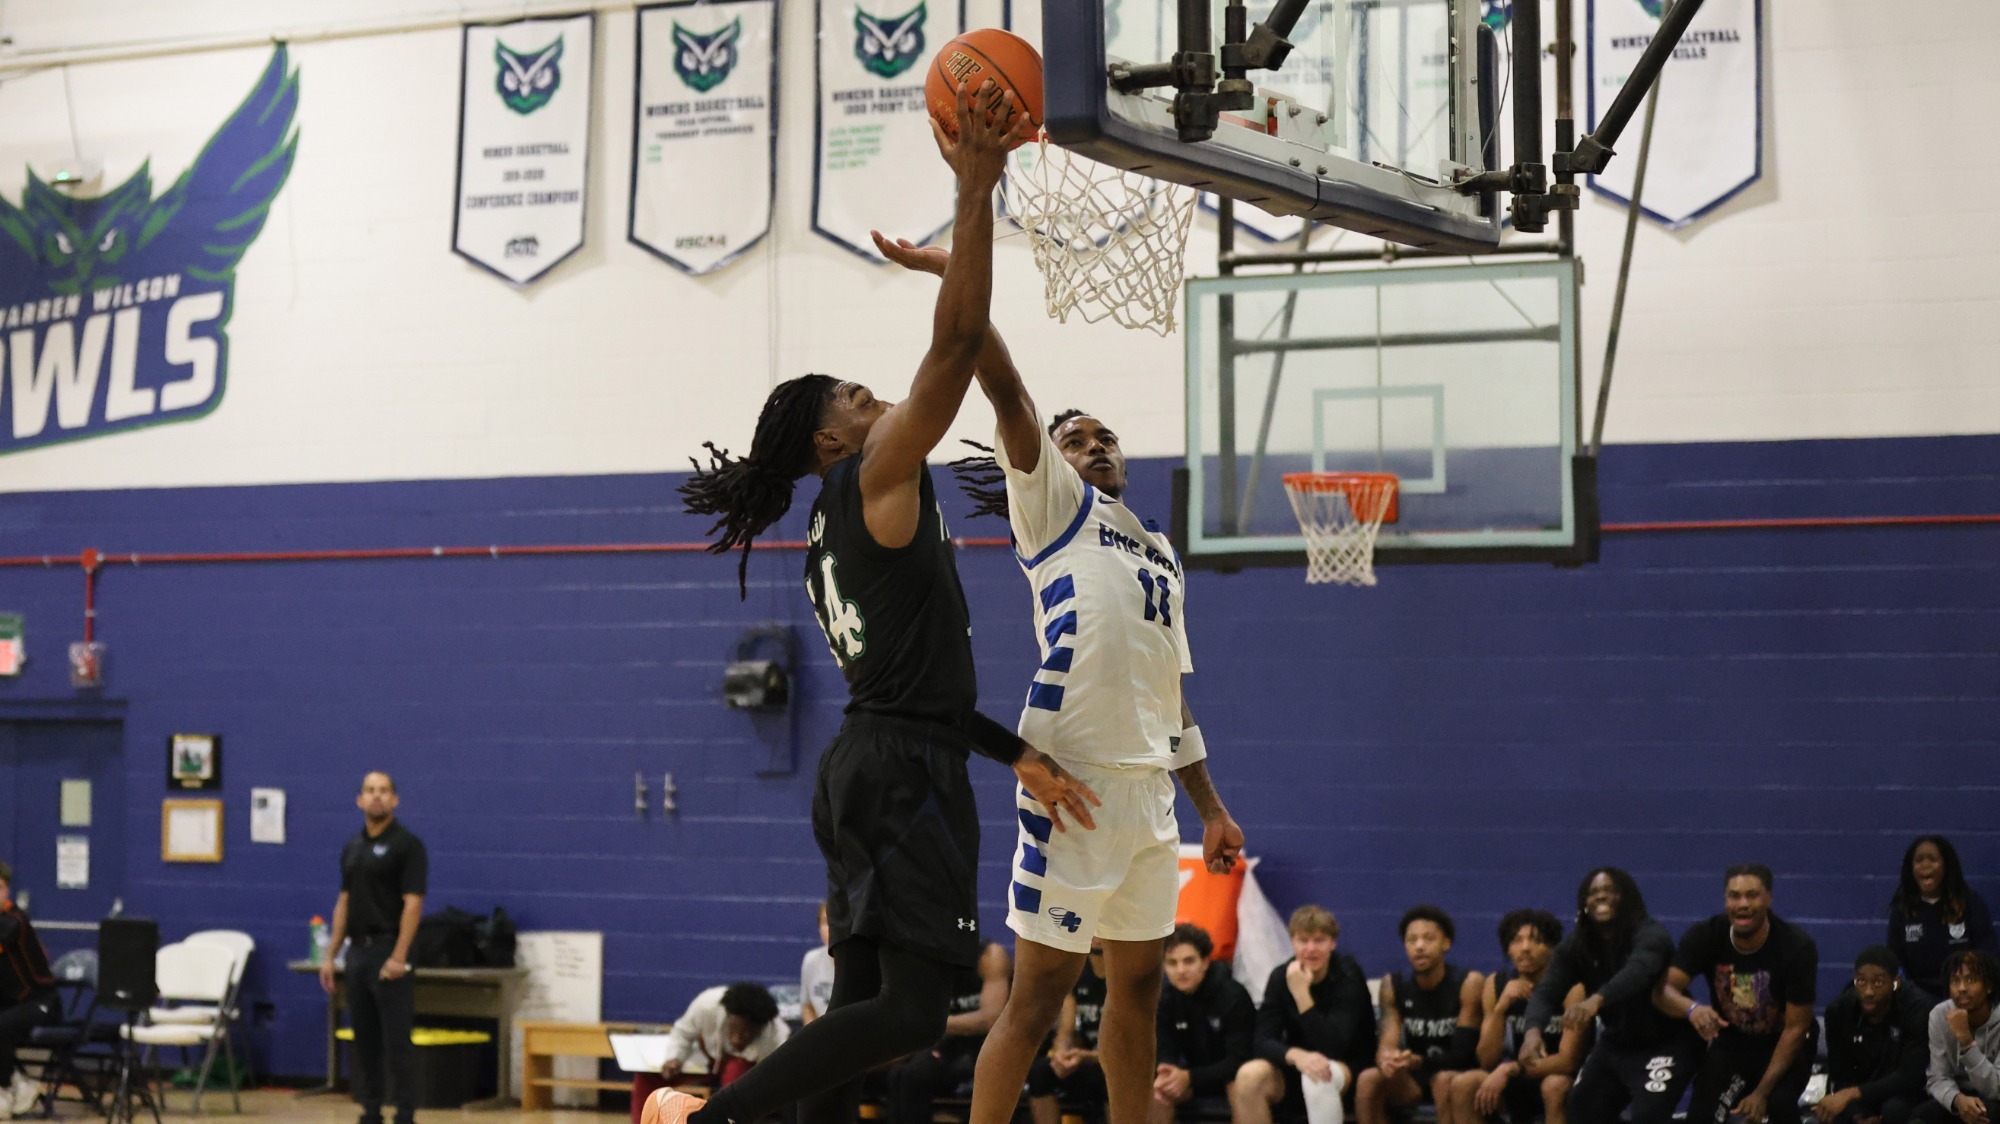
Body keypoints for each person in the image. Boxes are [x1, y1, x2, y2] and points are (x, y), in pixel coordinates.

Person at [665, 78, 1092, 1124]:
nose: (880, 399)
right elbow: (952, 351)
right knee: (906, 1012)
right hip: (899, 777)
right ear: (830, 440)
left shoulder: (833, 522)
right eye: (859, 397)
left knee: (856, 1014)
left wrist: (1015, 754)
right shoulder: (872, 480)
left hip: (875, 756)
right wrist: (973, 190)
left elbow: (917, 687)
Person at [873, 232, 1244, 1124]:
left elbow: (1172, 690)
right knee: (1040, 997)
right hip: (1070, 780)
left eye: (1104, 435)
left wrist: (1212, 808)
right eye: (1075, 438)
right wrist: (951, 278)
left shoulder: (1158, 549)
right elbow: (1005, 389)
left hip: (1150, 794)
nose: (1095, 443)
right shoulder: (1053, 509)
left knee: (1139, 993)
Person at [1519, 868, 1700, 1124]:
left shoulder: (1651, 933)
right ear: (1584, 903)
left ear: (1627, 898)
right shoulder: (1577, 945)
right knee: (1582, 1109)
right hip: (1618, 1043)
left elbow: (1639, 971)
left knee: (1649, 1116)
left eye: (1610, 890)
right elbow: (1547, 992)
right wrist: (1532, 1031)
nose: (1601, 896)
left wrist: (1596, 999)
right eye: (1593, 892)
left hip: (1666, 1043)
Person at [1656, 863, 1819, 1124]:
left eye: (1752, 895)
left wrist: (1761, 1093)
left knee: (1780, 1105)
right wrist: (1691, 1009)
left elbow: (1796, 1029)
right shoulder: (1706, 935)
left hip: (1784, 1043)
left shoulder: (1795, 946)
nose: (1742, 904)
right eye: (1734, 896)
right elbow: (1663, 990)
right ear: (1725, 900)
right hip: (1734, 1043)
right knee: (1701, 1115)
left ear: (1769, 898)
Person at [319, 771, 428, 1124]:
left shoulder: (407, 845)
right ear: (359, 800)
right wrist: (331, 954)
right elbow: (344, 902)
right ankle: (370, 1109)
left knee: (397, 1039)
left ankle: (406, 1112)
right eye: (370, 791)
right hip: (359, 953)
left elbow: (413, 904)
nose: (377, 797)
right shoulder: (352, 848)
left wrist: (399, 956)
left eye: (383, 791)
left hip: (389, 950)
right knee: (364, 1039)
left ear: (394, 800)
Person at [1232, 905, 1377, 1124]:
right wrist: (1297, 1056)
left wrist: (1302, 996)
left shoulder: (1348, 975)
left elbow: (1332, 1046)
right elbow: (1261, 1040)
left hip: (1349, 1069)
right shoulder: (1281, 976)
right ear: (1292, 942)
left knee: (1318, 1076)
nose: (1311, 949)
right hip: (1298, 1066)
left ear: (1332, 943)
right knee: (1249, 1075)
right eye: (1303, 940)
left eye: (1319, 940)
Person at [1449, 909, 1588, 1124]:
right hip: (1521, 1076)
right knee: (1464, 1084)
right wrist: (1500, 1009)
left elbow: (1568, 1061)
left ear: (1552, 948)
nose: (1525, 948)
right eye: (1516, 941)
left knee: (1554, 1085)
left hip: (1564, 1078)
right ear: (1508, 949)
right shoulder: (1496, 984)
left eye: (1536, 941)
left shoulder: (1571, 987)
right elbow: (1486, 1059)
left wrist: (1510, 1068)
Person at [1356, 906, 1481, 1124]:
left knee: (1443, 1080)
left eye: (1428, 938)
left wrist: (1418, 1061)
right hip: (1415, 1075)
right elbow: (1388, 1040)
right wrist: (1387, 1058)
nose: (1419, 946)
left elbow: (1463, 1054)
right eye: (1411, 940)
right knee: (1369, 1078)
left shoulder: (1468, 983)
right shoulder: (1393, 985)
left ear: (1446, 943)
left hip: (1459, 1073)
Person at [885, 942, 1011, 1124]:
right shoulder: (923, 957)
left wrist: (933, 1023)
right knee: (897, 1074)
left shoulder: (989, 956)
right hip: (940, 1042)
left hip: (979, 1046)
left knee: (915, 1075)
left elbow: (991, 1019)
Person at [635, 984, 788, 1124]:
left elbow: (770, 1086)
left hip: (743, 1070)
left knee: (734, 1092)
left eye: (748, 1033)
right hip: (706, 1058)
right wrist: (675, 1058)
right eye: (735, 1028)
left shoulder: (776, 1037)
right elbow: (682, 1033)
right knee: (649, 1076)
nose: (737, 1039)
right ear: (728, 1015)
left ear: (760, 1029)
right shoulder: (707, 1005)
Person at [1815, 946, 1931, 1124]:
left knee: (1895, 1110)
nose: (1868, 991)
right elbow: (1841, 1075)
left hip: (1903, 1092)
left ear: (1896, 983)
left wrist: (1851, 1094)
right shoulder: (1839, 1011)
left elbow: (1910, 1075)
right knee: (1830, 1110)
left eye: (1878, 982)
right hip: (1861, 1094)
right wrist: (1857, 1117)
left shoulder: (1916, 1008)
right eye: (1861, 981)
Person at [1152, 924, 1255, 1124]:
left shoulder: (1233, 996)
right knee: (1158, 1090)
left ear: (1205, 962)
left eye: (1188, 961)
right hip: (1191, 1077)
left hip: (1230, 1075)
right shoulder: (1164, 999)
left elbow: (1239, 1058)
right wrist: (1167, 1071)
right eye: (1172, 963)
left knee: (1240, 1085)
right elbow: (1164, 1049)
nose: (1181, 970)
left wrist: (1189, 1077)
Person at [1890, 837, 1998, 1001]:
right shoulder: (1903, 909)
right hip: (1918, 997)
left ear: (1946, 866)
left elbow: (1989, 956)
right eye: (1919, 860)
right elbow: (1893, 960)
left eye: (1932, 859)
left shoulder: (1969, 903)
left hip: (1964, 993)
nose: (1925, 865)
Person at [1026, 942, 1109, 1124]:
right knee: (1040, 1072)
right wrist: (1061, 1054)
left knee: (1113, 1077)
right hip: (1087, 1059)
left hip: (1119, 1063)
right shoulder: (1074, 969)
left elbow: (1129, 1051)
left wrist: (1088, 1056)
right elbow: (1066, 1029)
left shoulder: (1127, 970)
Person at [0, 861, 56, 1117]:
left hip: (41, 1002)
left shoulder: (15, 921)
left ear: (6, 890)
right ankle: (19, 1081)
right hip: (12, 1003)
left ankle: (3, 1089)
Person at [1917, 951, 2000, 1124]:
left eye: (1971, 980)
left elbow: (1996, 1088)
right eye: (1955, 981)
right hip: (1956, 1095)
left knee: (1987, 1114)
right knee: (1920, 1116)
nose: (1961, 988)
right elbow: (1937, 1077)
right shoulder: (1939, 1015)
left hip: (1993, 1098)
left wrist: (1966, 1043)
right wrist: (1957, 1100)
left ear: (1989, 986)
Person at [802, 902, 834, 1025]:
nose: (832, 928)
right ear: (819, 928)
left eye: (836, 921)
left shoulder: (866, 963)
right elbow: (807, 1006)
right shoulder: (811, 960)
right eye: (826, 922)